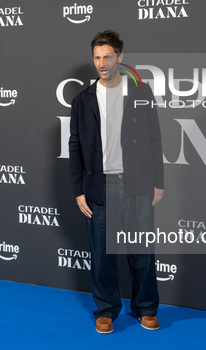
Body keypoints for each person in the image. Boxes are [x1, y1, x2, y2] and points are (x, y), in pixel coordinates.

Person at [69, 30, 164, 334]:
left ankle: (146, 308)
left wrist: (158, 180)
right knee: (102, 254)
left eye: (107, 56)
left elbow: (154, 138)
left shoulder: (140, 92)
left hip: (136, 184)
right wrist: (78, 190)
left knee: (142, 252)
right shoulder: (82, 100)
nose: (102, 63)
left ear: (120, 57)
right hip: (100, 187)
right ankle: (106, 309)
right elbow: (74, 146)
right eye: (97, 57)